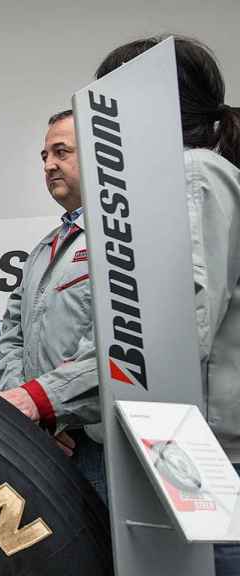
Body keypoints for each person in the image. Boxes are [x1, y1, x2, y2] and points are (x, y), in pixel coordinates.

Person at [95, 34, 240, 576]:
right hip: (191, 439)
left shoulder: (194, 173)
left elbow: (186, 323)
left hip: (206, 449)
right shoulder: (183, 176)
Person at [0, 110, 104, 497]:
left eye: (61, 152)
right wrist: (31, 415)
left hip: (96, 446)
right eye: (44, 156)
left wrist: (46, 408)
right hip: (43, 443)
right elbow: (9, 339)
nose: (49, 165)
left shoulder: (119, 242)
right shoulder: (44, 249)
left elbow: (116, 346)